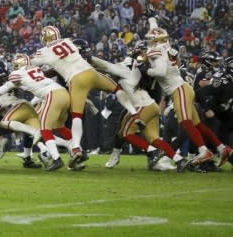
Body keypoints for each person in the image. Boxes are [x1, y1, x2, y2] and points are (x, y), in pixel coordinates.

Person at [31, 25, 145, 169]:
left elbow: (32, 65)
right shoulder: (68, 41)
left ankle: (76, 148)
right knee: (116, 89)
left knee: (76, 116)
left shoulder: (44, 51)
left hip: (75, 80)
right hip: (90, 72)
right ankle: (134, 113)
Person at [145, 18, 232, 167]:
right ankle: (222, 148)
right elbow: (156, 30)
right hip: (183, 88)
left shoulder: (156, 50)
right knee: (197, 125)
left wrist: (148, 70)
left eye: (151, 38)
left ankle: (204, 151)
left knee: (185, 122)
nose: (149, 40)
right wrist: (152, 18)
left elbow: (160, 71)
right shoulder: (165, 44)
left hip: (179, 90)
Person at [90, 40, 187, 172]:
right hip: (152, 105)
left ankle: (153, 152)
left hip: (142, 105)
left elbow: (107, 66)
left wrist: (89, 58)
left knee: (124, 132)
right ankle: (179, 160)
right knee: (154, 138)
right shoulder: (148, 65)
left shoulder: (128, 68)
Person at [0, 54, 74, 171]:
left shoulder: (10, 81)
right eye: (1, 75)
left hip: (12, 115)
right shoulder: (2, 83)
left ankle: (40, 153)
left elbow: (21, 91)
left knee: (36, 133)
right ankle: (63, 148)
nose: (3, 77)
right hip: (8, 116)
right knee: (36, 133)